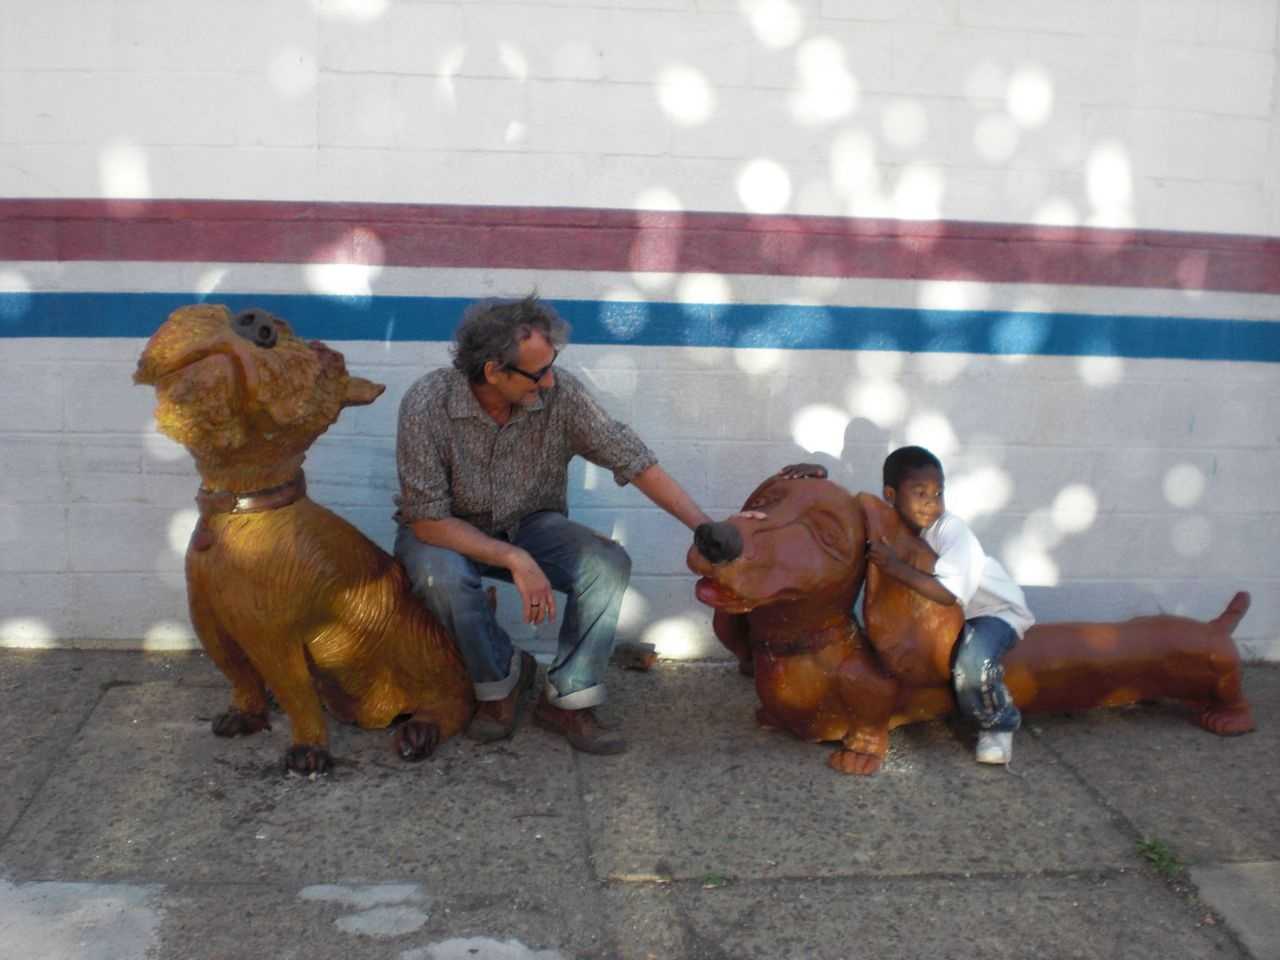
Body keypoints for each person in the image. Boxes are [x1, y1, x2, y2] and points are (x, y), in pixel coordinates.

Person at [393, 295, 710, 755]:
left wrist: (700, 524)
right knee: (439, 575)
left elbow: (631, 458)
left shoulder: (561, 395)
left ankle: (567, 698)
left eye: (552, 365)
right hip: (447, 530)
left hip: (530, 522)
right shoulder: (427, 403)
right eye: (537, 372)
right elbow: (426, 520)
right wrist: (513, 558)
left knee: (606, 565)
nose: (549, 380)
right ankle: (499, 685)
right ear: (492, 372)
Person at [867, 445, 1035, 766]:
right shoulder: (891, 524)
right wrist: (810, 473)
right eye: (920, 492)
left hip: (991, 612)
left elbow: (947, 594)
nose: (932, 502)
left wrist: (893, 567)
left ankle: (997, 721)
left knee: (971, 664)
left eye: (938, 492)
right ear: (890, 494)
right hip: (950, 617)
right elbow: (852, 509)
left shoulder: (950, 529)